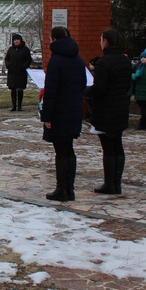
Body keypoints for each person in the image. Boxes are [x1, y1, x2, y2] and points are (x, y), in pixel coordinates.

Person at [40, 27, 86, 202]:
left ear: (54, 39)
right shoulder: (78, 59)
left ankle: (61, 189)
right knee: (69, 150)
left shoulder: (56, 61)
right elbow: (82, 83)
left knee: (61, 151)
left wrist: (47, 116)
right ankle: (70, 188)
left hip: (58, 111)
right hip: (73, 109)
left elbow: (51, 91)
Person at [84, 29, 130, 195]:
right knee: (117, 145)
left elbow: (100, 88)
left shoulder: (104, 62)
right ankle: (116, 182)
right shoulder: (125, 61)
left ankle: (110, 183)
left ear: (106, 41)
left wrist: (87, 91)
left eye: (101, 39)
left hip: (106, 108)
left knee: (108, 148)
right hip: (120, 106)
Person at [4, 33, 31, 111]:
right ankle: (13, 106)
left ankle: (19, 105)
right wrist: (8, 65)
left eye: (17, 40)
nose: (16, 41)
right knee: (13, 89)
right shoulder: (11, 49)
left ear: (20, 40)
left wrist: (23, 66)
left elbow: (28, 60)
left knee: (20, 89)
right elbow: (7, 59)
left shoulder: (25, 49)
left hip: (21, 73)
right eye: (14, 40)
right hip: (12, 72)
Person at [131, 48, 146, 130]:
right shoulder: (139, 67)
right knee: (142, 109)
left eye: (144, 57)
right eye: (141, 58)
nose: (142, 59)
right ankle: (143, 122)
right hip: (139, 91)